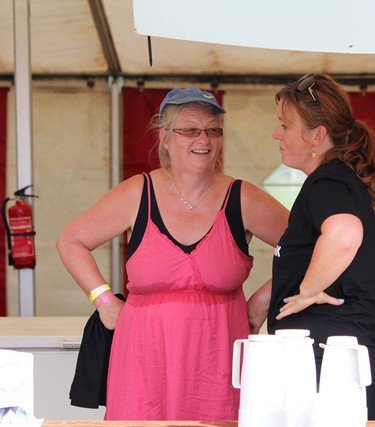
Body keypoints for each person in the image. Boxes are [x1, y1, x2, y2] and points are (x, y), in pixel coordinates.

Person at [57, 87, 288, 421]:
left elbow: (307, 247)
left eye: (213, 130)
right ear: (164, 138)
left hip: (219, 359)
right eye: (190, 130)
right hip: (142, 358)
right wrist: (103, 300)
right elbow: (71, 240)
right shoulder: (137, 193)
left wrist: (263, 300)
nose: (204, 139)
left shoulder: (243, 198)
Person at [247, 73, 375, 420]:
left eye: (285, 126)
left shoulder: (327, 183)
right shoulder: (355, 183)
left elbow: (344, 233)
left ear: (316, 136)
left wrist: (307, 291)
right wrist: (360, 306)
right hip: (351, 362)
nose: (276, 134)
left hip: (318, 367)